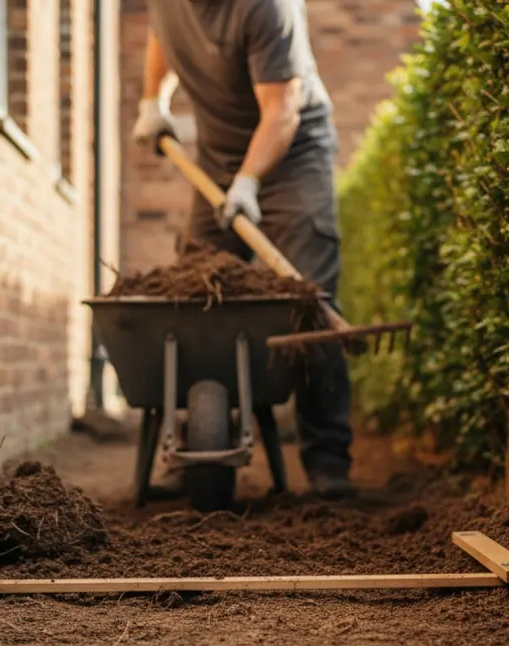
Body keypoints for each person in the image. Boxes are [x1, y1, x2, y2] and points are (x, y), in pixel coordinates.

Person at [132, 0, 354, 498]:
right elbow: (161, 34)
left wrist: (249, 182)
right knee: (193, 289)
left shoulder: (267, 8)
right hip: (217, 154)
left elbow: (283, 109)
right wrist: (154, 101)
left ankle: (327, 461)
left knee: (310, 296)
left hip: (295, 152)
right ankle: (190, 441)